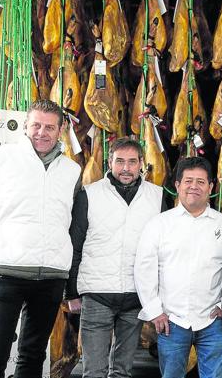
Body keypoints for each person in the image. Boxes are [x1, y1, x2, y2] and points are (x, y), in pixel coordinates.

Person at [0, 99, 81, 378]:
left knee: (33, 356)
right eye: (36, 125)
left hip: (50, 277)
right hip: (6, 272)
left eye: (50, 127)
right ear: (25, 126)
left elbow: (71, 224)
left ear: (61, 130)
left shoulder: (72, 171)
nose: (42, 132)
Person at [65, 138, 167, 378]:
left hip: (136, 295)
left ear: (142, 163)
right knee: (93, 371)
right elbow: (75, 245)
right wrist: (71, 292)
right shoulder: (89, 194)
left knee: (122, 371)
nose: (126, 168)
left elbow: (164, 250)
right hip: (97, 294)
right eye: (120, 161)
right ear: (109, 161)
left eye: (132, 162)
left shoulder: (157, 196)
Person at [134, 157, 222, 378]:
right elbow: (144, 269)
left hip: (213, 320)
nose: (194, 186)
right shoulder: (159, 224)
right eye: (188, 181)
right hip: (171, 321)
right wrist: (155, 311)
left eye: (200, 181)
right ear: (177, 185)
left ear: (211, 187)